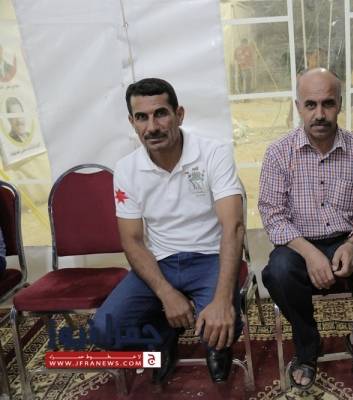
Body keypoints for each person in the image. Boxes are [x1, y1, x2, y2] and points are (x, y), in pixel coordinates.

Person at [259, 68, 353, 392]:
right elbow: (273, 215)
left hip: (350, 240)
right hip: (299, 244)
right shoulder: (278, 153)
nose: (320, 114)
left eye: (328, 103)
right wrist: (310, 254)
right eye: (311, 105)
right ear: (298, 107)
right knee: (277, 271)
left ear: (340, 104)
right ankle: (308, 345)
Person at [93, 78, 245, 385]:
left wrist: (221, 302)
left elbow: (233, 226)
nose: (152, 127)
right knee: (104, 331)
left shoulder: (213, 153)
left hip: (210, 257)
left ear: (179, 114)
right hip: (161, 261)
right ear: (132, 122)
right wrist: (166, 294)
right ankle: (162, 337)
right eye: (141, 117)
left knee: (222, 325)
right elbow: (132, 240)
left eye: (160, 114)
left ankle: (216, 345)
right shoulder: (126, 169)